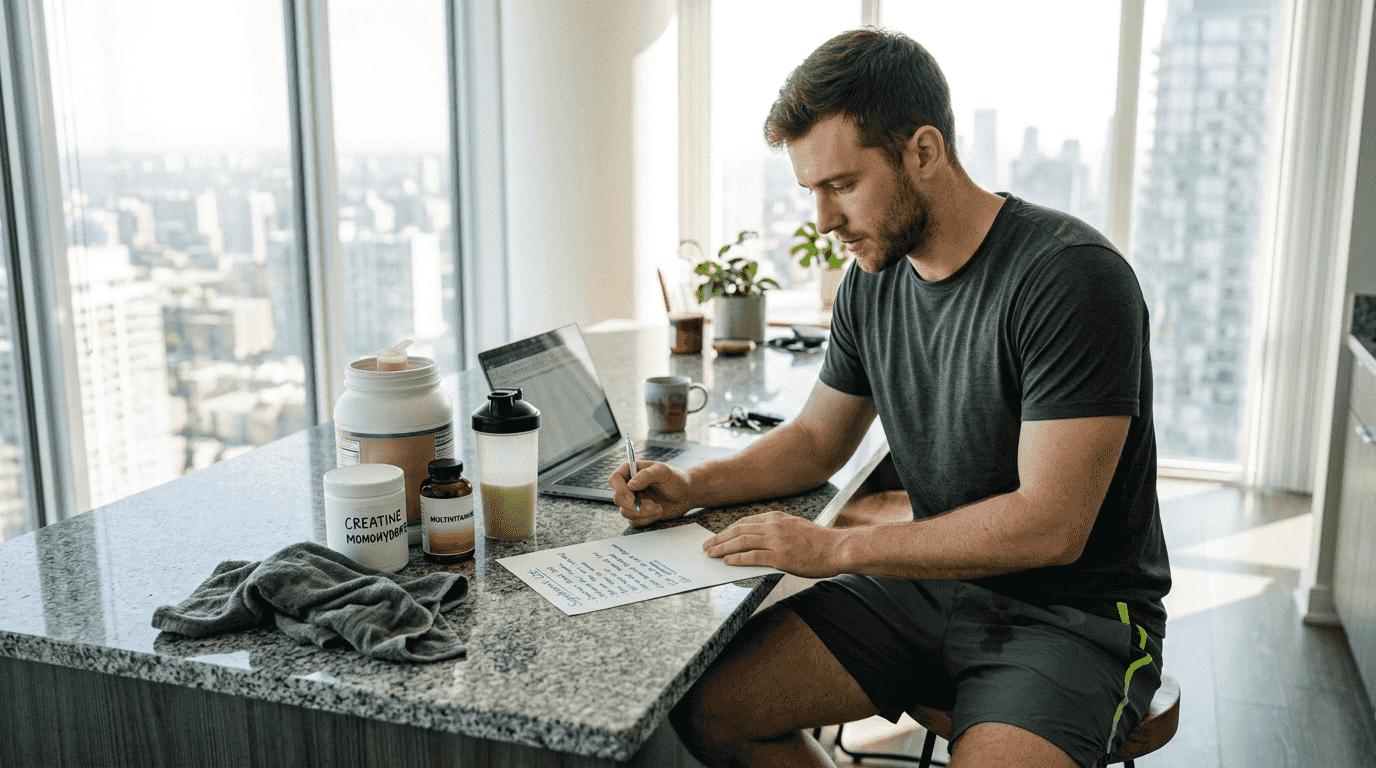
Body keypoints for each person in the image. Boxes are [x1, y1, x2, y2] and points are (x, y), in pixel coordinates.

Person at [609, 27, 1169, 768]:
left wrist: (837, 549)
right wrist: (690, 486)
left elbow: (1050, 525)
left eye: (841, 185)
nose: (824, 221)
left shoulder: (1071, 278)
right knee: (713, 710)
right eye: (812, 192)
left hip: (1070, 616)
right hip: (928, 588)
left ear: (924, 152)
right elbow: (816, 440)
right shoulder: (873, 284)